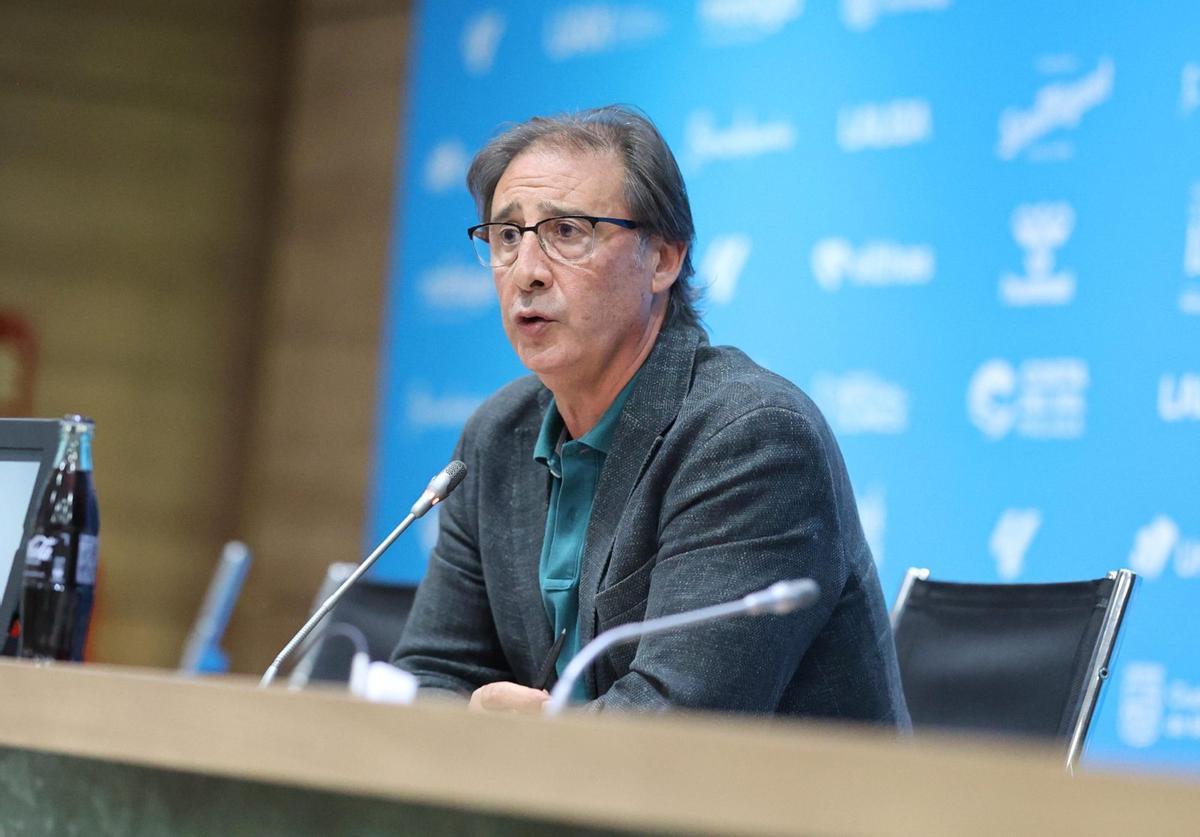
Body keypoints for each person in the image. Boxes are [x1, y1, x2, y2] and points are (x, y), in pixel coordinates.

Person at [392, 105, 909, 726]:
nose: (526, 272)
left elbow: (672, 727)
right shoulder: (496, 436)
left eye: (566, 232)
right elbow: (429, 672)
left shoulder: (750, 437)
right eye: (506, 237)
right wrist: (468, 723)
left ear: (662, 259)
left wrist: (518, 739)